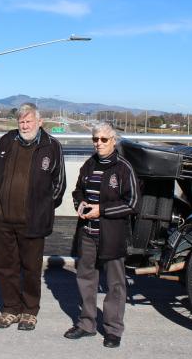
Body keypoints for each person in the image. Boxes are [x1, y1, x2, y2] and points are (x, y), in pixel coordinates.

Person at [0, 103, 66, 331]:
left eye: (29, 121)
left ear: (39, 122)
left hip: (32, 220)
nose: (24, 125)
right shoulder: (6, 141)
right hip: (3, 218)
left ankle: (30, 311)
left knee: (31, 268)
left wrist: (42, 207)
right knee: (6, 267)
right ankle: (11, 308)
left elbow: (59, 185)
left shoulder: (52, 146)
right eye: (21, 121)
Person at [63, 122, 139, 348]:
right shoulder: (89, 165)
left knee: (115, 284)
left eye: (104, 139)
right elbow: (78, 190)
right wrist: (80, 202)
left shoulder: (124, 168)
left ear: (113, 141)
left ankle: (113, 330)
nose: (99, 143)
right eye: (95, 139)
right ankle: (87, 324)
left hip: (112, 235)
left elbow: (133, 203)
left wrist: (102, 210)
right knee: (86, 279)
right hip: (88, 233)